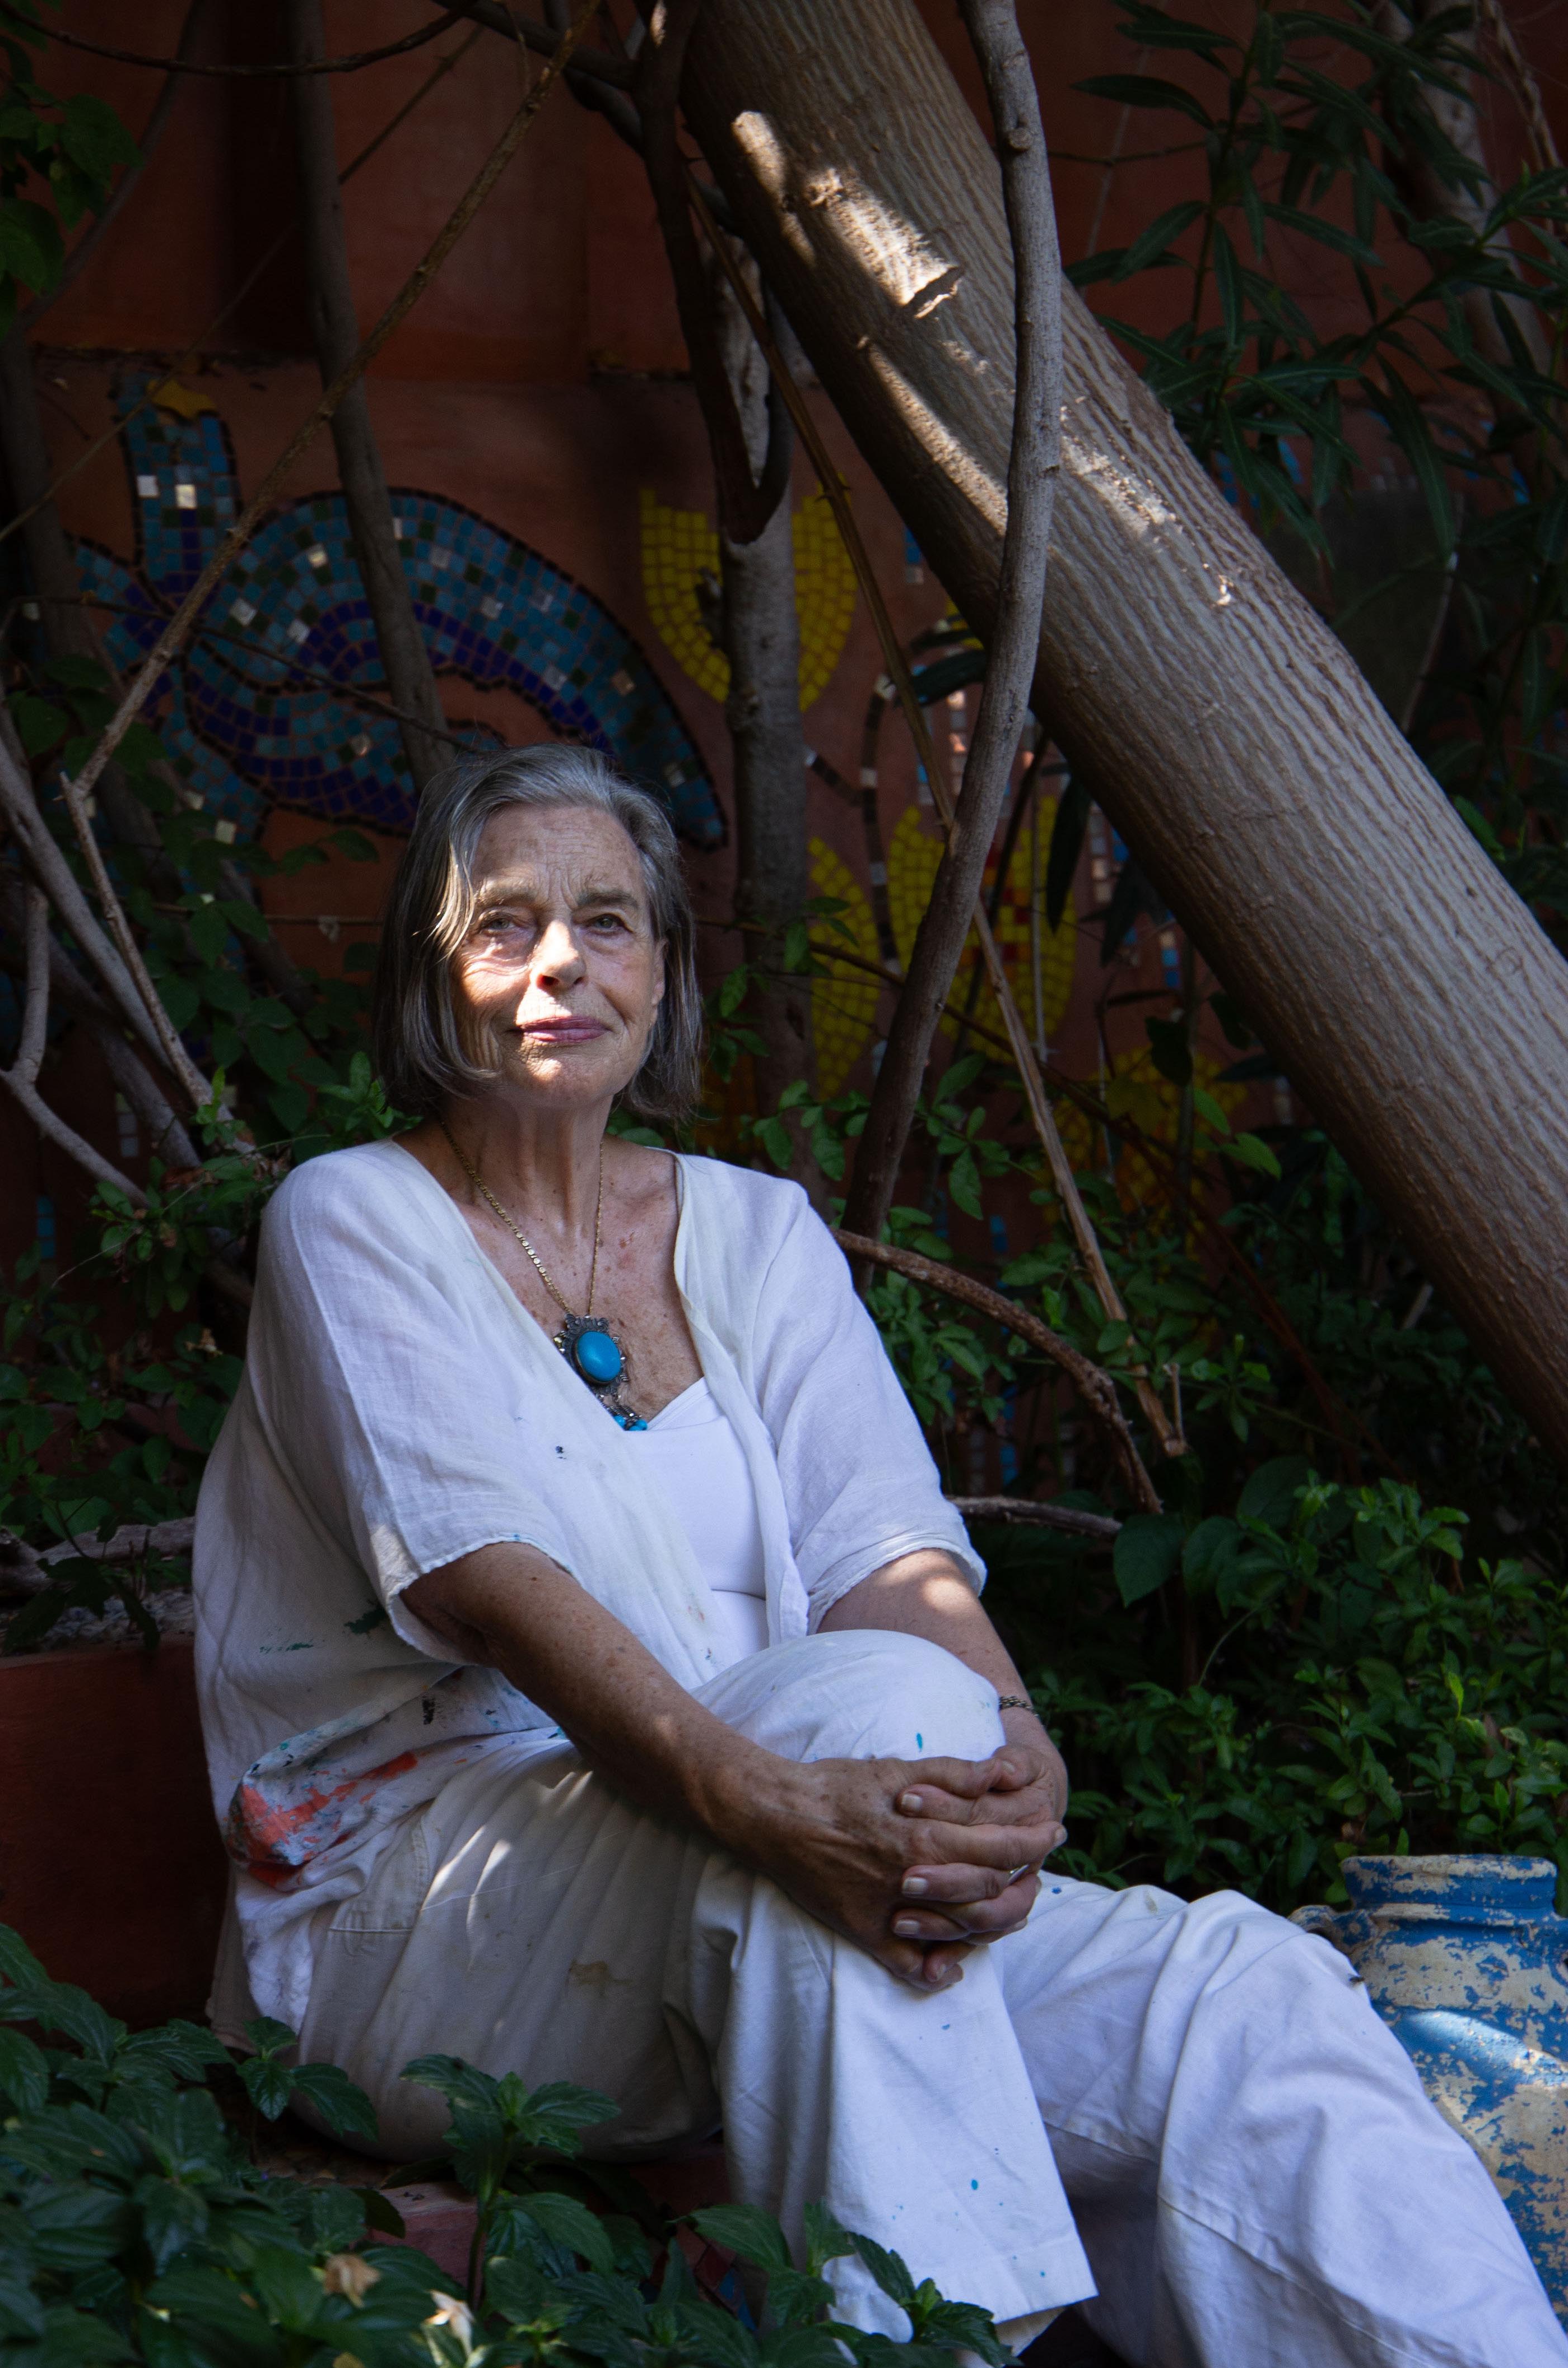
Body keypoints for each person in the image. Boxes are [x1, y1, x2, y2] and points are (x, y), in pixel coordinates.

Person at [194, 743, 1565, 2367]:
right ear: (435, 977)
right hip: (423, 1918)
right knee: (856, 1752)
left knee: (1238, 1996)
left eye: (608, 921)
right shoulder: (351, 1217)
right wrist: (772, 1798)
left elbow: (888, 1555)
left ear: (664, 970)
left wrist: (1020, 1753)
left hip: (789, 1854)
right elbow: (485, 1579)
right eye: (506, 923)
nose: (563, 961)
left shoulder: (758, 1233)